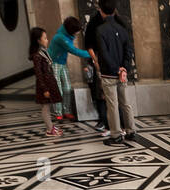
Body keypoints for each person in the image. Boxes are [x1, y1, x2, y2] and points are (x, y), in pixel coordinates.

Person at [91, 0, 136, 144]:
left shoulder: (100, 30)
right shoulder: (122, 29)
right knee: (125, 103)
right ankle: (131, 131)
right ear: (115, 10)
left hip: (109, 73)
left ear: (101, 11)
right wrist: (124, 68)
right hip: (122, 73)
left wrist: (116, 69)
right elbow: (129, 51)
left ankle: (116, 134)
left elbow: (104, 54)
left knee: (112, 105)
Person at [48, 16, 90, 121]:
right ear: (71, 30)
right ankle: (58, 113)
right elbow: (74, 51)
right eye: (76, 31)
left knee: (67, 89)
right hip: (54, 64)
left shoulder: (67, 34)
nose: (77, 33)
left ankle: (66, 111)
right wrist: (92, 54)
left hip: (62, 63)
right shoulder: (61, 38)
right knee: (58, 90)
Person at [30, 27, 62, 136]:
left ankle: (51, 126)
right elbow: (39, 73)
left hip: (48, 83)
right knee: (45, 107)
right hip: (44, 85)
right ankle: (49, 129)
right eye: (45, 38)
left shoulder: (43, 52)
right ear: (38, 40)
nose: (47, 40)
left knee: (48, 106)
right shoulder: (37, 55)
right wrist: (45, 89)